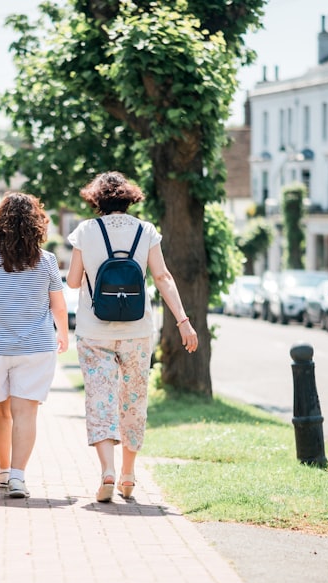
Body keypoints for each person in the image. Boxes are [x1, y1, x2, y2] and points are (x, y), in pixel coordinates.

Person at [66, 172, 198, 502]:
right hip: (139, 331)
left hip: (94, 331)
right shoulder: (146, 231)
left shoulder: (85, 230)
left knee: (100, 397)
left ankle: (107, 471)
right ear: (129, 198)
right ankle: (127, 474)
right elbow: (163, 276)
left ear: (95, 199)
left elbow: (71, 281)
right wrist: (183, 320)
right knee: (134, 400)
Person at [0, 192, 70, 499]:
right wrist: (63, 334)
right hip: (35, 348)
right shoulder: (46, 261)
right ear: (36, 223)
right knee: (26, 413)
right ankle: (19, 477)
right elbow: (58, 307)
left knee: (0, 411)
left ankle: (3, 471)